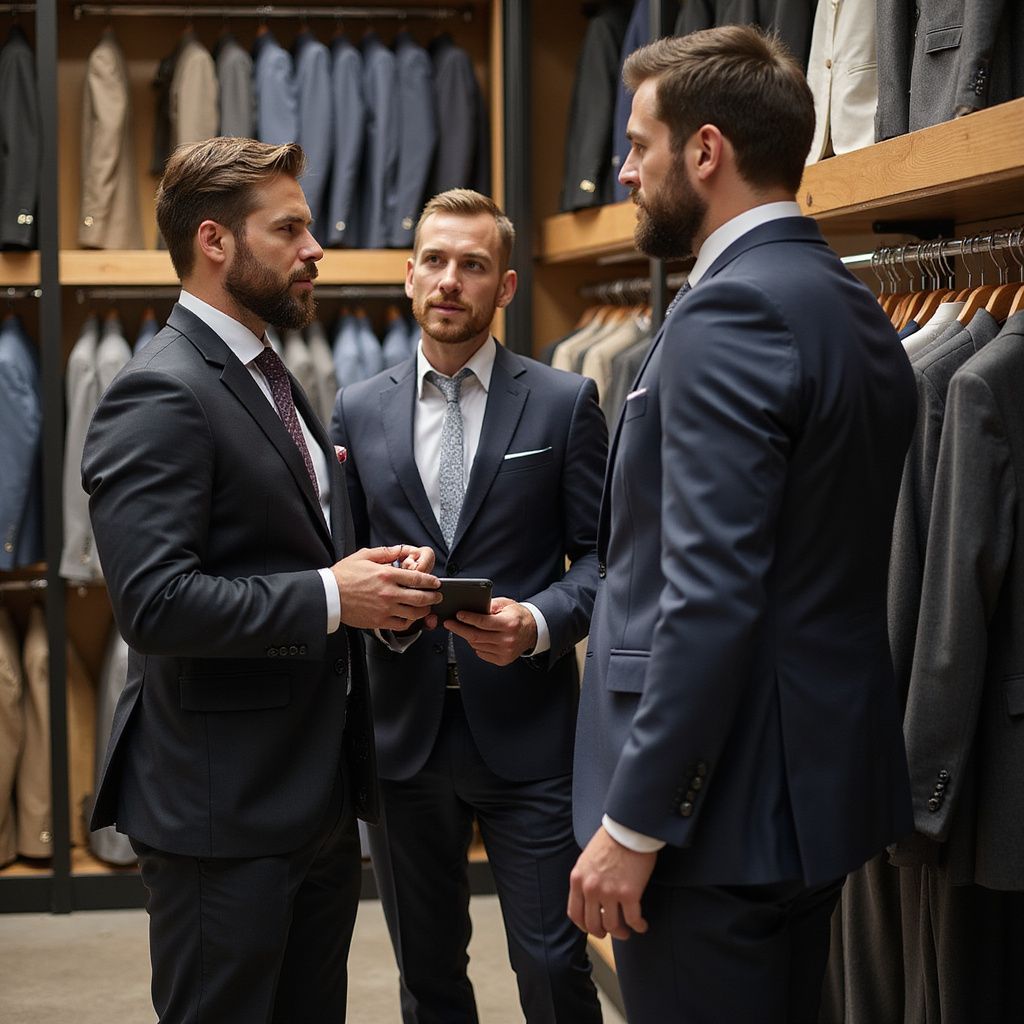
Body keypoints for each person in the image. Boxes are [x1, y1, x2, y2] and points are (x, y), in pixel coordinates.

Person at [568, 26, 918, 1024]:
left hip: (713, 818)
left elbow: (710, 594)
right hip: (808, 798)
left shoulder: (732, 313)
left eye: (638, 146)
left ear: (705, 150)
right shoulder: (848, 304)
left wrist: (637, 821)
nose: (624, 171)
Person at [82, 136, 441, 1024]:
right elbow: (155, 604)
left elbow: (284, 548)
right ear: (215, 241)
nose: (315, 249)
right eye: (289, 229)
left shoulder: (266, 373)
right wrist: (334, 596)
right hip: (223, 813)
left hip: (311, 797)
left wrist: (375, 587)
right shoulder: (161, 391)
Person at [330, 189, 607, 1024]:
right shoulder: (356, 407)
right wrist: (379, 599)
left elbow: (605, 560)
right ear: (409, 276)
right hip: (402, 736)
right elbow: (343, 563)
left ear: (506, 286)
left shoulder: (563, 401)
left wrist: (539, 623)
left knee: (554, 965)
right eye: (436, 261)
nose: (451, 280)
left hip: (530, 732)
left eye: (474, 265)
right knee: (428, 972)